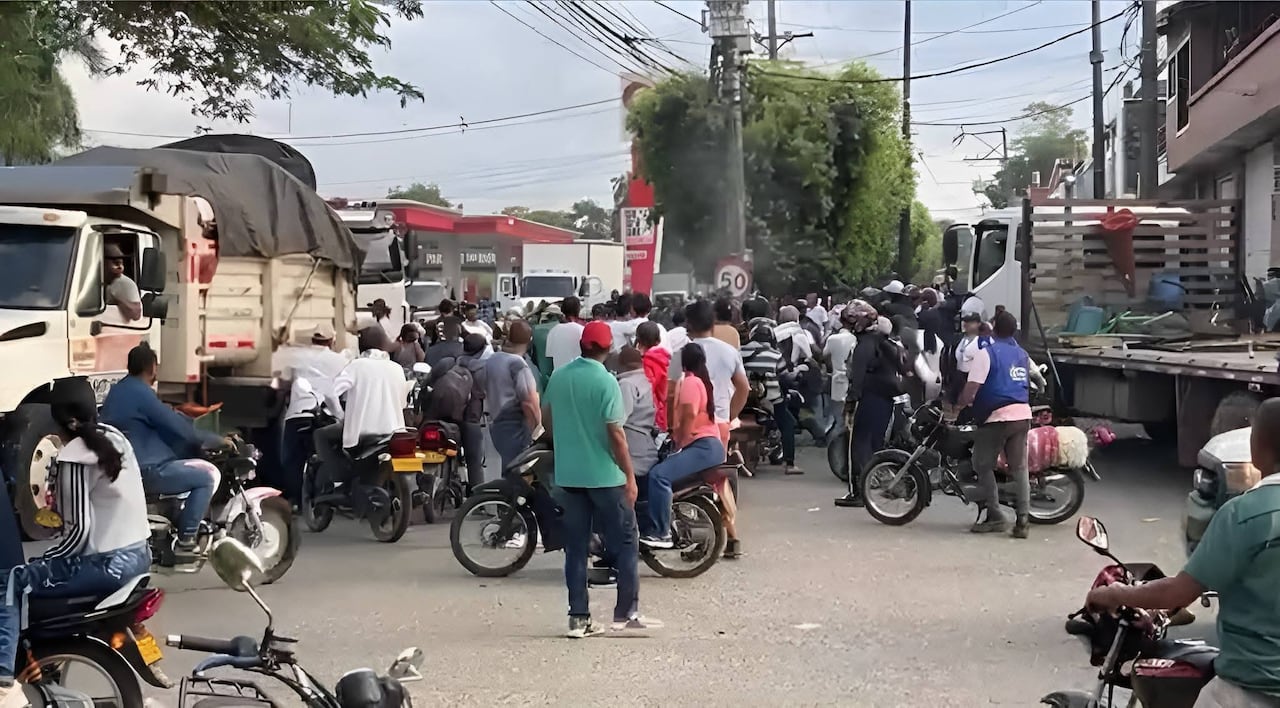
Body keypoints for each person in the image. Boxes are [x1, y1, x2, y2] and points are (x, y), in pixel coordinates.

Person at [1086, 398, 1280, 707]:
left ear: (1259, 446)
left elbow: (1177, 593)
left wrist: (1115, 594)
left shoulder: (1244, 514)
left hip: (1253, 686)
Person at [0, 377, 151, 705]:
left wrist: (45, 562)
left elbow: (79, 532)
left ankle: (1, 679)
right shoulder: (115, 438)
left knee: (15, 579)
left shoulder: (76, 455)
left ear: (61, 421)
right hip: (139, 556)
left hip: (107, 565)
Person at [542, 321, 659, 637]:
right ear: (607, 350)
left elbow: (546, 418)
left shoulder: (560, 376)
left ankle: (579, 618)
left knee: (576, 547)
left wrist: (564, 444)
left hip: (569, 476)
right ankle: (625, 612)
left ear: (582, 346)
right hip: (606, 476)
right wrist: (629, 476)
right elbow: (616, 434)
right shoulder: (607, 382)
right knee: (625, 540)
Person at [101, 344, 221, 555]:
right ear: (152, 368)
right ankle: (187, 539)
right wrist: (214, 441)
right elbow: (177, 428)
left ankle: (174, 520)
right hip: (146, 469)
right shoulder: (142, 393)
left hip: (123, 467)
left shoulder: (118, 391)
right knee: (207, 477)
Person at [644, 343, 727, 548]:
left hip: (703, 446)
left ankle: (661, 532)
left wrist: (680, 441)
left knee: (658, 476)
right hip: (708, 446)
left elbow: (689, 414)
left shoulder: (690, 382)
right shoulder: (702, 381)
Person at [957, 309, 1032, 537]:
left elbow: (972, 389)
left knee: (982, 464)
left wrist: (959, 404)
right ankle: (1023, 521)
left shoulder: (986, 353)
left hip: (997, 416)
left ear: (994, 329)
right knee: (1019, 468)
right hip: (1022, 414)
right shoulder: (1022, 354)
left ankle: (996, 515)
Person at [834, 300, 900, 508]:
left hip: (868, 398)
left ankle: (857, 492)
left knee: (857, 446)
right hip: (887, 399)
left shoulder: (865, 345)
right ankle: (887, 483)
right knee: (875, 445)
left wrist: (851, 401)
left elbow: (858, 377)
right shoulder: (885, 342)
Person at [273, 324, 348, 506]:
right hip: (328, 414)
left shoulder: (298, 358)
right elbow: (345, 391)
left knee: (291, 459)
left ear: (312, 340)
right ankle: (329, 493)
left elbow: (283, 385)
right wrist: (341, 415)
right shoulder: (340, 360)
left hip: (298, 413)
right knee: (331, 452)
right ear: (331, 341)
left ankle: (296, 500)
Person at [313, 344, 407, 488]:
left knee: (320, 435)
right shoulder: (397, 368)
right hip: (395, 432)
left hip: (363, 432)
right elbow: (403, 404)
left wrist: (340, 415)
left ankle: (338, 479)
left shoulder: (357, 366)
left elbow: (330, 392)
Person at [666, 300, 750, 450]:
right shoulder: (729, 352)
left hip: (689, 426)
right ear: (713, 323)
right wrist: (729, 416)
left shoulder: (680, 354)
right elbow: (743, 388)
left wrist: (672, 426)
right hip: (720, 423)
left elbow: (671, 393)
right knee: (717, 470)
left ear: (688, 325)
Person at [425, 333, 489, 491]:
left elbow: (430, 382)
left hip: (442, 413)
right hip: (469, 416)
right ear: (481, 351)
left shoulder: (449, 363)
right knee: (473, 458)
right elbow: (483, 393)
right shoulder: (482, 368)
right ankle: (477, 495)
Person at [741, 322, 801, 474]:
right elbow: (785, 378)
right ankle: (790, 464)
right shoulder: (775, 355)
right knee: (788, 424)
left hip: (743, 401)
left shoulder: (739, 352)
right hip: (770, 401)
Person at [485, 320, 541, 469]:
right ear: (529, 341)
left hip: (496, 422)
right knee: (519, 472)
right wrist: (537, 430)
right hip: (514, 424)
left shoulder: (493, 359)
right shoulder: (518, 365)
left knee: (508, 469)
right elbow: (529, 402)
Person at [616, 345, 659, 501]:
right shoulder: (650, 382)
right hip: (648, 450)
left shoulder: (626, 385)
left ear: (622, 364)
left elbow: (617, 422)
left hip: (632, 456)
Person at [636, 322, 671, 431]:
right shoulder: (666, 358)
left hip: (652, 415)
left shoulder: (647, 361)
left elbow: (648, 389)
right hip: (665, 412)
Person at [545, 296, 586, 372]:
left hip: (558, 377)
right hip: (579, 375)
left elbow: (549, 358)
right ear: (578, 310)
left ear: (562, 310)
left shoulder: (553, 331)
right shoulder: (583, 330)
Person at [104, 243, 143, 322]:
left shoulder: (124, 283)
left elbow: (135, 314)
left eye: (121, 262)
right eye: (115, 262)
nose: (120, 267)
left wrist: (117, 298)